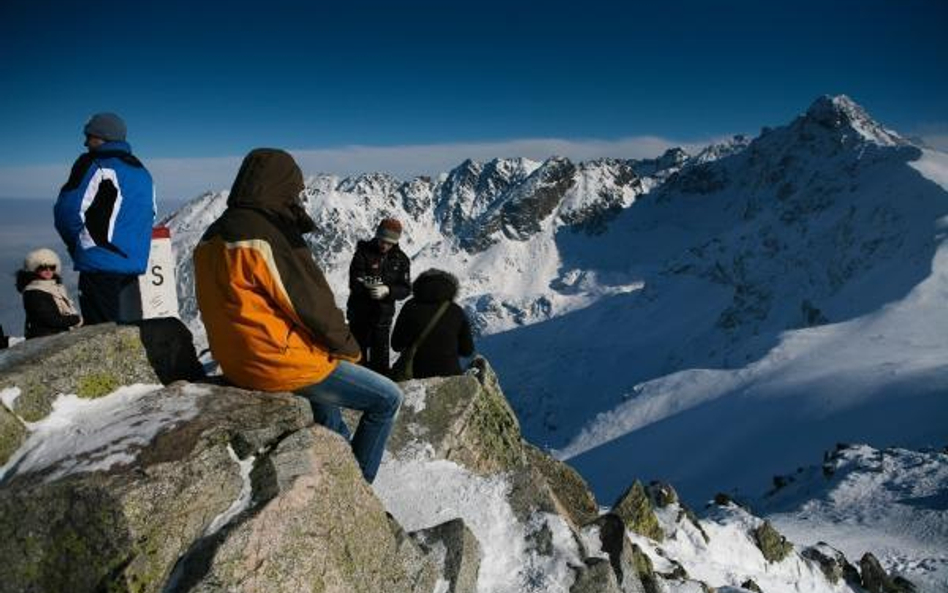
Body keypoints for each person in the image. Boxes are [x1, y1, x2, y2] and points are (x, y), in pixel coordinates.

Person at [193, 148, 402, 483]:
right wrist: (349, 349)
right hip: (274, 364)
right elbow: (311, 303)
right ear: (281, 185)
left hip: (234, 361)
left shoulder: (212, 234)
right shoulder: (268, 235)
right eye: (295, 188)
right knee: (388, 399)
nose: (298, 196)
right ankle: (357, 488)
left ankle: (338, 458)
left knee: (326, 400)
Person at [54, 112, 156, 325]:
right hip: (132, 266)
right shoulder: (142, 173)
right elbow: (149, 215)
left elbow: (67, 212)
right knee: (126, 333)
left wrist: (79, 246)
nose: (85, 142)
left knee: (100, 335)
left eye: (89, 136)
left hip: (100, 264)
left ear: (102, 137)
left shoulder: (94, 164)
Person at [346, 218, 411, 375]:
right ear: (377, 236)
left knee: (380, 363)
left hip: (382, 318)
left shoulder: (401, 260)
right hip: (359, 316)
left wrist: (388, 290)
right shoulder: (362, 254)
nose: (384, 245)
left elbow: (405, 289)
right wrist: (370, 287)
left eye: (389, 243)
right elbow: (355, 282)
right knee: (356, 359)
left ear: (395, 242)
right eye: (382, 241)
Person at [392, 269, 475, 378]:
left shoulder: (410, 306)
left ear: (419, 286)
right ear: (451, 289)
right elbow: (467, 350)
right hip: (451, 375)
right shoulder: (456, 311)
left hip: (415, 374)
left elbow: (396, 345)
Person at [15, 248, 82, 339]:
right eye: (43, 267)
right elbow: (50, 319)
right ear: (34, 269)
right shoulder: (34, 291)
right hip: (46, 336)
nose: (48, 271)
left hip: (56, 334)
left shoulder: (55, 287)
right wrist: (75, 319)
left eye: (52, 267)